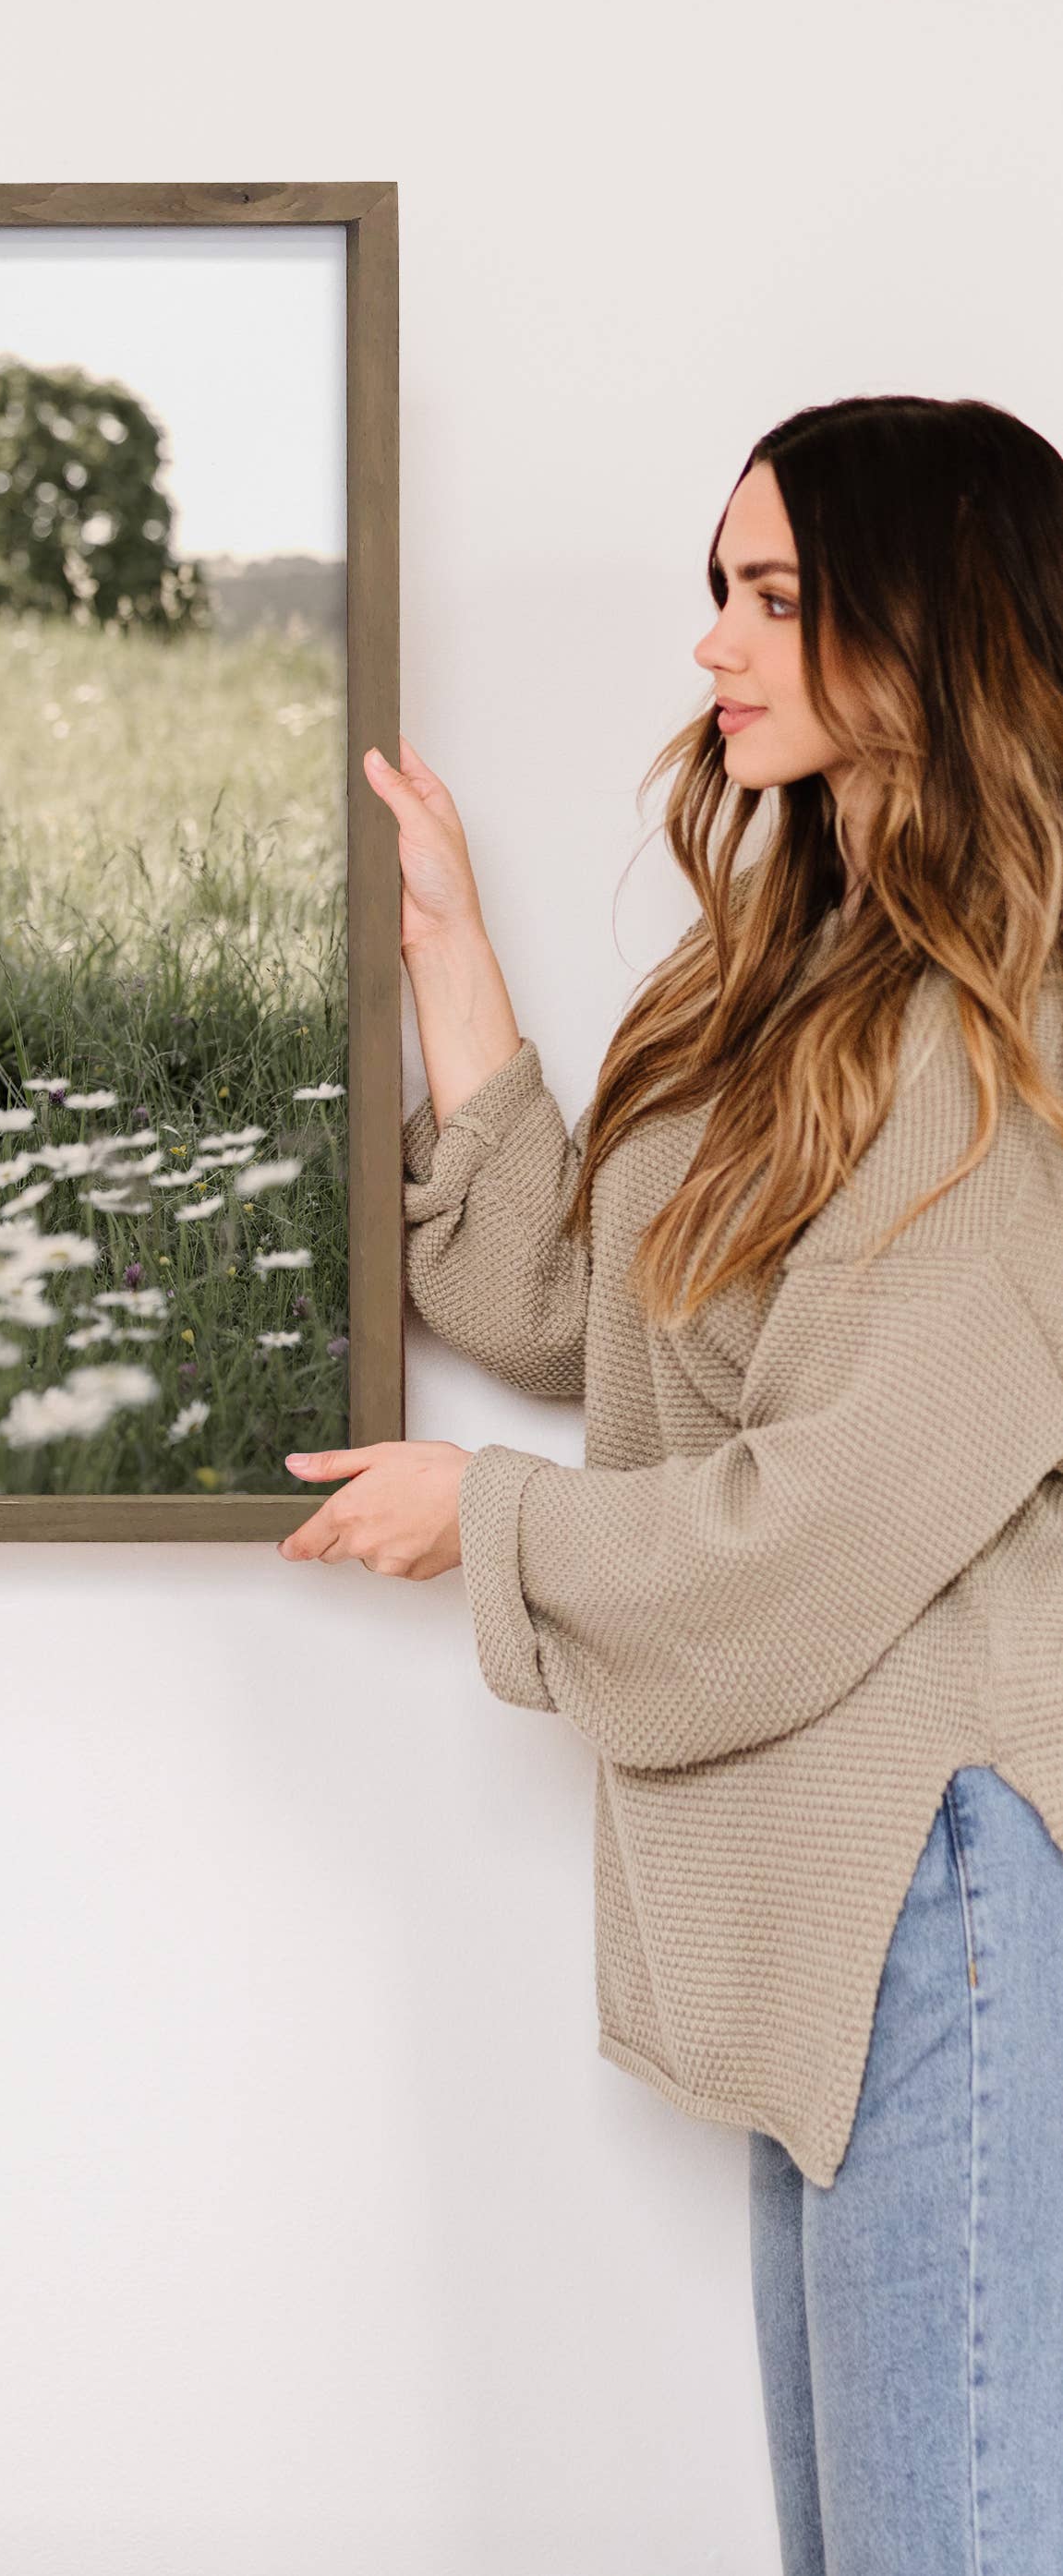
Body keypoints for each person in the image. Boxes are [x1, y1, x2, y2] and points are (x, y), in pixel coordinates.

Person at [279, 396, 1063, 2571]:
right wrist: (445, 944)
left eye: (780, 599)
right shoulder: (795, 973)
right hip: (833, 1896)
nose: (719, 646)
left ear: (938, 628)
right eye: (719, 592)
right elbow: (581, 1307)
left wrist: (487, 1526)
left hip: (948, 1891)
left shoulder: (1017, 1032)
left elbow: (835, 1513)